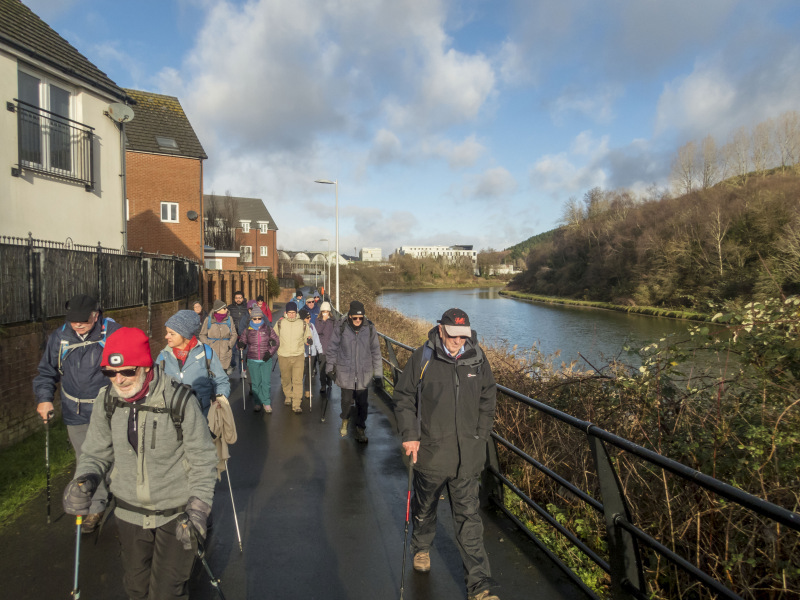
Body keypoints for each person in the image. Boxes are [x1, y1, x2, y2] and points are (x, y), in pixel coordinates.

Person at [62, 326, 217, 600]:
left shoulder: (180, 400)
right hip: (129, 514)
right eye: (110, 372)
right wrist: (84, 479)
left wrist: (198, 510)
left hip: (177, 514)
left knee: (167, 593)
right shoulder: (107, 401)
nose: (118, 380)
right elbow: (96, 453)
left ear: (146, 366)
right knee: (136, 590)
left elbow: (203, 459)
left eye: (127, 371)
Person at [393, 308, 499, 600]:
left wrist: (480, 434)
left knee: (469, 521)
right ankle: (422, 547)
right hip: (430, 453)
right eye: (452, 336)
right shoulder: (423, 358)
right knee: (425, 509)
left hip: (467, 457)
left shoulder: (477, 357)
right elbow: (403, 396)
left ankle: (480, 587)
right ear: (440, 330)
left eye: (463, 336)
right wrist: (410, 435)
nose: (458, 342)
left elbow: (488, 396)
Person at [33, 293, 121, 533]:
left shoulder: (113, 333)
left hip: (109, 409)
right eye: (73, 319)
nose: (78, 324)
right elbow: (46, 372)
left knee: (115, 456)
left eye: (83, 319)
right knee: (86, 459)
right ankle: (95, 506)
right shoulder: (59, 337)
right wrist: (44, 400)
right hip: (76, 410)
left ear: (96, 314)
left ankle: (120, 495)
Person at [325, 300, 382, 443]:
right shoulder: (341, 327)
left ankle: (360, 429)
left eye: (361, 318)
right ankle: (345, 419)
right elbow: (332, 349)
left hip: (364, 373)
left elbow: (376, 352)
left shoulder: (369, 328)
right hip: (346, 371)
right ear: (350, 316)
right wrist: (330, 368)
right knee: (346, 401)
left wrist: (379, 375)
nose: (358, 320)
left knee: (363, 404)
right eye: (355, 317)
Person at [157, 309, 230, 417]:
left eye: (172, 333)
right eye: (167, 332)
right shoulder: (163, 356)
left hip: (202, 416)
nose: (166, 336)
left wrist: (220, 399)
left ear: (185, 335)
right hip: (171, 418)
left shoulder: (206, 353)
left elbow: (221, 380)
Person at [238, 306, 279, 413]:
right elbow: (241, 344)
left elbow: (276, 342)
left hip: (266, 360)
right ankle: (257, 402)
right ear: (251, 319)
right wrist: (240, 344)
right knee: (256, 383)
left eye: (259, 318)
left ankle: (267, 402)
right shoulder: (247, 331)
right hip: (252, 360)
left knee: (266, 382)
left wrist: (270, 353)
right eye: (254, 319)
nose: (257, 321)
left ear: (262, 318)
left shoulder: (269, 329)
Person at [275, 301, 311, 413]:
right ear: (286, 312)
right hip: (283, 355)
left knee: (297, 380)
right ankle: (288, 396)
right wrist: (272, 342)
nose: (291, 315)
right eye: (289, 312)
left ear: (296, 312)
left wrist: (309, 339)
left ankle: (296, 404)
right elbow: (274, 336)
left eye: (293, 312)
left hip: (298, 355)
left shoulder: (303, 324)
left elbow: (307, 336)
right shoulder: (280, 323)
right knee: (286, 379)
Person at [199, 299, 238, 372]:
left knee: (223, 376)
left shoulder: (229, 319)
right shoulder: (208, 320)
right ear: (218, 310)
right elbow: (202, 335)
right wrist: (208, 344)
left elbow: (234, 334)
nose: (226, 309)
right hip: (212, 352)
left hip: (225, 352)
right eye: (224, 308)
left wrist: (229, 344)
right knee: (212, 376)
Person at [299, 307, 323, 401]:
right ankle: (298, 391)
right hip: (302, 354)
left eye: (309, 317)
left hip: (311, 353)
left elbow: (316, 339)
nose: (309, 319)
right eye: (307, 317)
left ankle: (307, 391)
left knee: (309, 373)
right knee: (301, 373)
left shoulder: (312, 326)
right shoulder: (299, 327)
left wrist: (320, 351)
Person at [315, 301, 335, 395]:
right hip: (322, 348)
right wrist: (323, 320)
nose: (325, 313)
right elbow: (318, 331)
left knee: (330, 368)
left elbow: (336, 333)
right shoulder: (318, 320)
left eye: (327, 311)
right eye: (323, 311)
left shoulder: (333, 321)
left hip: (331, 349)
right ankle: (323, 385)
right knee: (322, 368)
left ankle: (329, 381)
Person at [227, 291, 249, 373]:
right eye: (236, 298)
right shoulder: (230, 308)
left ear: (243, 298)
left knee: (242, 353)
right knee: (232, 352)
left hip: (243, 334)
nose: (238, 299)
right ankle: (232, 365)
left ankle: (242, 370)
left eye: (240, 298)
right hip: (233, 334)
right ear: (234, 299)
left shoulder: (247, 307)